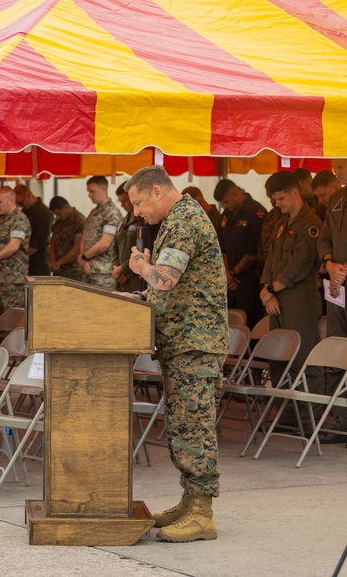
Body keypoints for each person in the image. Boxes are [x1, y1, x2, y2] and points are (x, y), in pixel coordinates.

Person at [125, 165, 227, 543]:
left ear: (156, 191)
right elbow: (168, 289)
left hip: (195, 344)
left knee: (193, 427)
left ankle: (202, 513)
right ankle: (190, 501)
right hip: (183, 341)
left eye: (138, 202)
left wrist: (141, 268)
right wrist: (138, 297)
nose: (137, 212)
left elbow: (166, 278)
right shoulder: (175, 221)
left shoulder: (183, 220)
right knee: (184, 425)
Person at [259, 171, 324, 426]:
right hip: (277, 301)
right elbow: (270, 260)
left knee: (304, 360)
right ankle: (287, 417)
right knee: (279, 360)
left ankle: (311, 419)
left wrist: (273, 289)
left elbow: (301, 263)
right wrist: (266, 291)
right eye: (275, 200)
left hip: (299, 301)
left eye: (281, 199)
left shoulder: (311, 224)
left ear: (295, 192)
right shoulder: (281, 223)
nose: (278, 204)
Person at [318, 158, 347, 442]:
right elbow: (324, 237)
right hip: (338, 288)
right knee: (339, 351)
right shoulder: (337, 198)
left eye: (343, 166)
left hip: (342, 278)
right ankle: (342, 421)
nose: (338, 172)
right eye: (336, 166)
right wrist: (329, 264)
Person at [214, 179, 267, 329]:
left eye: (226, 202)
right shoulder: (227, 214)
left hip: (250, 280)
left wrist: (233, 272)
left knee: (250, 323)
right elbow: (221, 246)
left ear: (235, 193)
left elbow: (254, 251)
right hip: (230, 281)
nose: (224, 207)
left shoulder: (255, 212)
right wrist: (227, 274)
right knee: (231, 325)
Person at [0, 187, 31, 311]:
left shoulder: (19, 219)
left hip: (13, 279)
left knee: (13, 317)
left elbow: (13, 246)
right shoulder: (1, 220)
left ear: (11, 201)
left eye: (0, 202)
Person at [79, 176, 121, 289]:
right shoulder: (94, 212)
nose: (89, 195)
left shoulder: (112, 213)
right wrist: (84, 260)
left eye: (92, 191)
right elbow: (85, 236)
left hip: (103, 273)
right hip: (88, 269)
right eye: (88, 192)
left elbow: (105, 243)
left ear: (103, 189)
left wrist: (84, 257)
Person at [111, 184, 150, 293]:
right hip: (120, 279)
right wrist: (116, 268)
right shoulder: (123, 222)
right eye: (120, 201)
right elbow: (114, 247)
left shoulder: (144, 220)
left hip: (136, 278)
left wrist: (124, 269)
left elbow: (145, 248)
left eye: (125, 201)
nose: (122, 205)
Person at [14, 185, 53, 276]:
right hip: (26, 261)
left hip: (38, 263)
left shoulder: (43, 213)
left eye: (21, 203)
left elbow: (36, 244)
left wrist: (18, 258)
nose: (21, 206)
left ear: (28, 196)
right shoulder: (26, 211)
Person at [49, 196, 85, 281]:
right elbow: (52, 243)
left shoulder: (79, 222)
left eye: (59, 213)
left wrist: (59, 263)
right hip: (58, 270)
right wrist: (54, 263)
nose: (58, 216)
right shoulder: (59, 222)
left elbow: (77, 249)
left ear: (67, 207)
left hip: (73, 270)